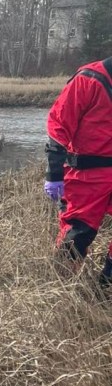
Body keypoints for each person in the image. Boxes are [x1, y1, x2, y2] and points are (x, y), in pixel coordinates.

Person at [44, 56, 112, 282]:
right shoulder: (89, 79)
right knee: (77, 235)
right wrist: (54, 173)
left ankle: (105, 289)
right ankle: (58, 291)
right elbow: (58, 125)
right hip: (86, 174)